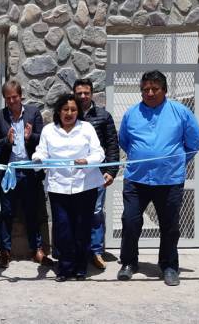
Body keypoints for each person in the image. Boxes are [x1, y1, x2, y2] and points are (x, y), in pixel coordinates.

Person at [117, 70, 199, 286]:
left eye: (155, 89)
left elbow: (195, 142)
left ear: (164, 90)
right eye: (145, 89)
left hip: (169, 179)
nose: (150, 93)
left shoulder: (180, 112)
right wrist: (145, 156)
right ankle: (128, 263)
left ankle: (169, 266)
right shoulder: (131, 114)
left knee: (170, 225)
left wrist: (176, 161)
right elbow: (125, 141)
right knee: (130, 221)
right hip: (137, 179)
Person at [32, 93, 105, 282]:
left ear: (78, 112)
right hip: (59, 187)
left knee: (82, 228)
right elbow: (41, 152)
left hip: (85, 186)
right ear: (58, 111)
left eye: (73, 110)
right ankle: (64, 268)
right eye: (65, 109)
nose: (69, 113)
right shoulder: (49, 130)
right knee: (63, 228)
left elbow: (99, 153)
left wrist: (87, 161)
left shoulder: (86, 128)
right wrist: (37, 158)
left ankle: (81, 268)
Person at [0, 80, 46, 268]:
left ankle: (36, 249)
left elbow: (43, 140)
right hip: (9, 173)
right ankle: (5, 251)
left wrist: (31, 138)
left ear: (20, 96)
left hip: (30, 173)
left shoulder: (33, 113)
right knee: (6, 212)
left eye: (15, 97)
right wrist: (7, 141)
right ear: (4, 99)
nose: (12, 101)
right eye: (8, 98)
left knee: (32, 211)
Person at [73, 79, 119, 270]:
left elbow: (112, 145)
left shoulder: (103, 116)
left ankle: (96, 252)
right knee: (74, 214)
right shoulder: (69, 113)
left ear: (92, 94)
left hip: (97, 175)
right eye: (79, 93)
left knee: (96, 213)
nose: (83, 96)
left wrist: (111, 171)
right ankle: (77, 251)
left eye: (86, 93)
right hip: (72, 175)